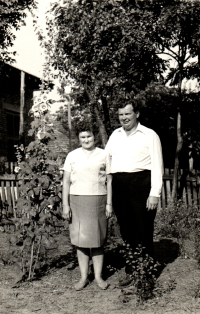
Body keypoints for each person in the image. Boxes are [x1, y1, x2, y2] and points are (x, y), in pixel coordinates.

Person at [105, 102, 163, 285]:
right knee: (126, 229)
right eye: (121, 115)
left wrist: (155, 193)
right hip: (120, 185)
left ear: (136, 114)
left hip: (142, 184)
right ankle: (131, 270)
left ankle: (147, 273)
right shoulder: (115, 134)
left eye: (127, 114)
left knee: (144, 229)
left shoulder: (149, 135)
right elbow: (105, 158)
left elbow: (157, 165)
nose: (124, 118)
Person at [62, 124, 113, 291]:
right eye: (83, 137)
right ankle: (83, 277)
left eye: (89, 137)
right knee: (81, 242)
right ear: (79, 139)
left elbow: (110, 181)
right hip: (77, 201)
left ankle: (98, 276)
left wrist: (109, 204)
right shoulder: (72, 155)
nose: (86, 140)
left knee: (98, 241)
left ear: (95, 137)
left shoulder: (104, 154)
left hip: (98, 200)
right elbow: (66, 183)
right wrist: (65, 205)